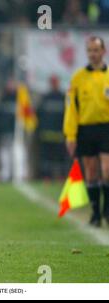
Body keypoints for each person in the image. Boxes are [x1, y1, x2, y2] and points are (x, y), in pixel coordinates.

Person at [64, 36, 109, 227]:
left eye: (96, 50)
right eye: (90, 50)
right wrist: (70, 135)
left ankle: (107, 208)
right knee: (91, 172)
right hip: (85, 129)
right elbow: (71, 109)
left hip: (106, 127)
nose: (93, 53)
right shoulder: (78, 78)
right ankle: (96, 213)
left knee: (106, 169)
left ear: (103, 52)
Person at [37, 75, 69, 180]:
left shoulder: (63, 98)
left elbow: (68, 115)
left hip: (60, 134)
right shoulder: (45, 98)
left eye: (56, 82)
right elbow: (39, 115)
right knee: (46, 157)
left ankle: (61, 176)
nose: (54, 84)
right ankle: (47, 176)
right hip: (46, 134)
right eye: (53, 82)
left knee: (60, 157)